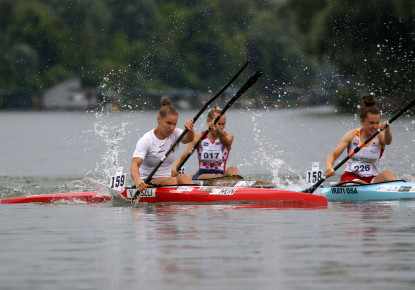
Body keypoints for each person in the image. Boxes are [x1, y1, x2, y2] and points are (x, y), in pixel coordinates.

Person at [325, 94, 397, 184]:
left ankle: (404, 189)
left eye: (377, 123)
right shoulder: (352, 135)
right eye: (371, 123)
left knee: (388, 173)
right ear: (362, 121)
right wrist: (329, 167)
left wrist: (387, 130)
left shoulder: (380, 135)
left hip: (372, 179)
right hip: (351, 178)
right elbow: (333, 156)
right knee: (362, 184)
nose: (375, 126)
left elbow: (388, 141)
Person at [131, 97, 194, 191]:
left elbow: (188, 139)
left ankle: (190, 202)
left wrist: (190, 130)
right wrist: (138, 181)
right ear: (159, 119)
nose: (172, 128)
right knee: (172, 181)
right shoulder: (147, 140)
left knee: (186, 177)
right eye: (168, 123)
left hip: (169, 180)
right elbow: (134, 165)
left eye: (174, 124)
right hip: (147, 182)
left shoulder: (175, 134)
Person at [172, 105, 239, 180]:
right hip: (202, 175)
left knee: (233, 169)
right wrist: (174, 168)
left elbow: (226, 142)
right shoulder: (199, 137)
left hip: (221, 175)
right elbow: (182, 158)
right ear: (208, 122)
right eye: (218, 124)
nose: (221, 127)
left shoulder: (228, 136)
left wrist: (217, 131)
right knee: (219, 177)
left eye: (223, 124)